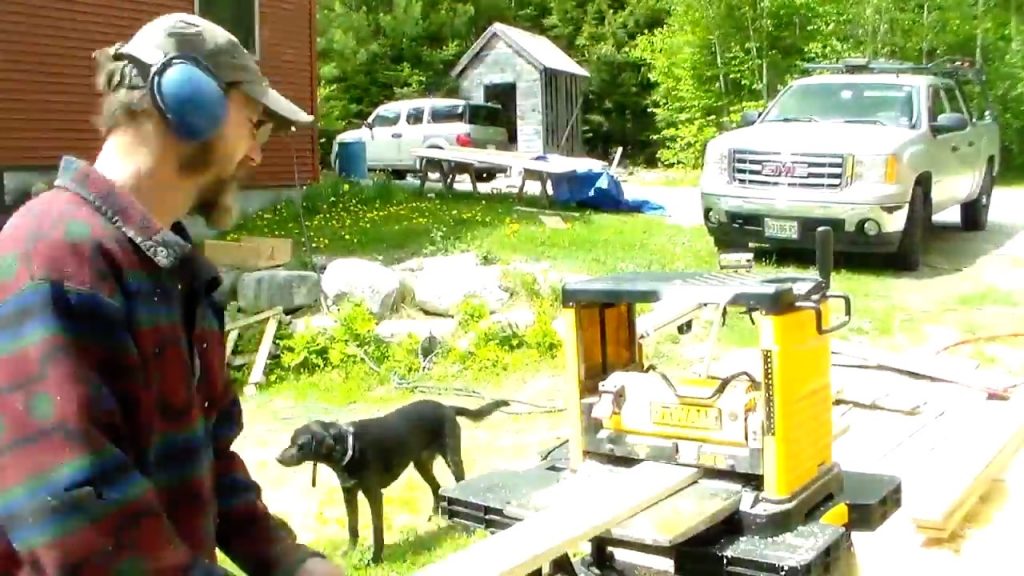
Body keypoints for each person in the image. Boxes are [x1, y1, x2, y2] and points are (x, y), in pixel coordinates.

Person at [0, 13, 344, 576]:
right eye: (254, 125)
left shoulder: (174, 271)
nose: (256, 155)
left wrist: (288, 561)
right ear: (187, 98)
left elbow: (208, 463)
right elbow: (79, 526)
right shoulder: (56, 259)